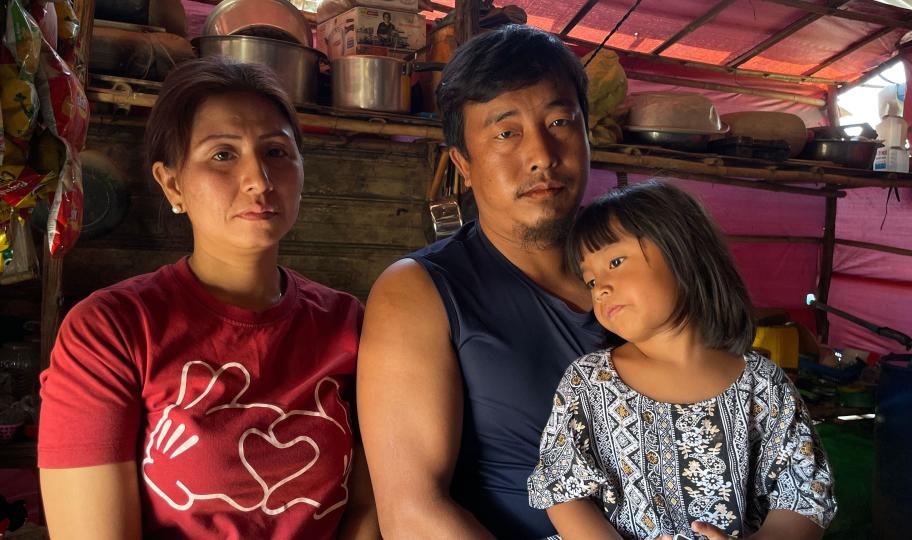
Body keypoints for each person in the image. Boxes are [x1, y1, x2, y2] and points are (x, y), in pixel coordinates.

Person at [37, 57, 378, 540]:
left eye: (277, 152)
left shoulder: (348, 323)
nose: (259, 179)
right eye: (223, 155)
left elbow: (370, 505)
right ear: (172, 183)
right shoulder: (111, 330)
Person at [357, 25, 605, 539]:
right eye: (506, 132)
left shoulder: (646, 268)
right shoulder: (421, 291)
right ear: (463, 165)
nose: (542, 154)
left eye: (560, 121)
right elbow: (413, 514)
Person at [527, 181, 837, 540]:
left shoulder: (763, 385)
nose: (602, 288)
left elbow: (803, 495)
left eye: (615, 262)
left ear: (684, 253)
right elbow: (563, 491)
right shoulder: (588, 382)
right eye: (591, 280)